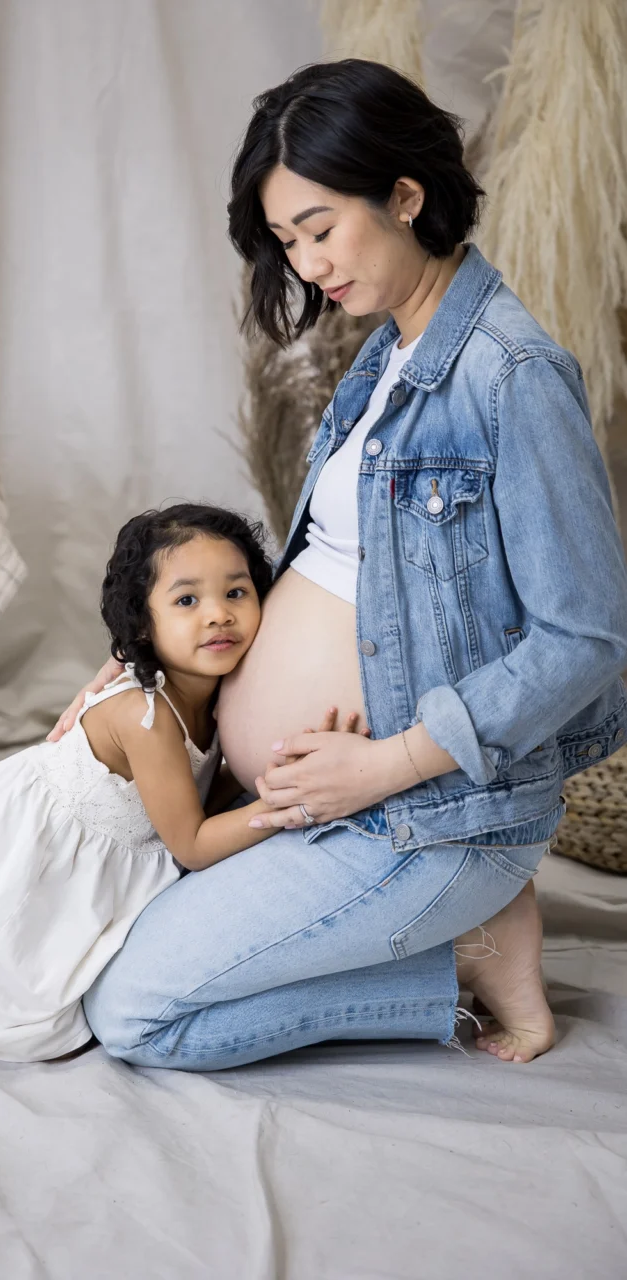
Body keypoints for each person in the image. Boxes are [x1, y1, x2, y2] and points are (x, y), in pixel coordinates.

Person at [50, 59, 627, 1070]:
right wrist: (151, 664)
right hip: (306, 793)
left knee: (132, 1008)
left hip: (419, 815)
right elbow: (340, 572)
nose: (309, 263)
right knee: (79, 936)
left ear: (404, 195)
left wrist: (384, 763)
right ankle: (467, 936)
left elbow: (587, 636)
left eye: (319, 228)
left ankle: (456, 955)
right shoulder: (383, 358)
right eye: (286, 242)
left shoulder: (512, 372)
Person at [0, 504, 369, 1060]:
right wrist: (290, 797)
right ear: (143, 625)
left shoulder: (215, 690)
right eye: (187, 600)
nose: (218, 615)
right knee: (2, 991)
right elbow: (192, 845)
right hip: (19, 847)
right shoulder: (145, 716)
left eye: (236, 593)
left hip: (102, 846)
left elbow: (196, 792)